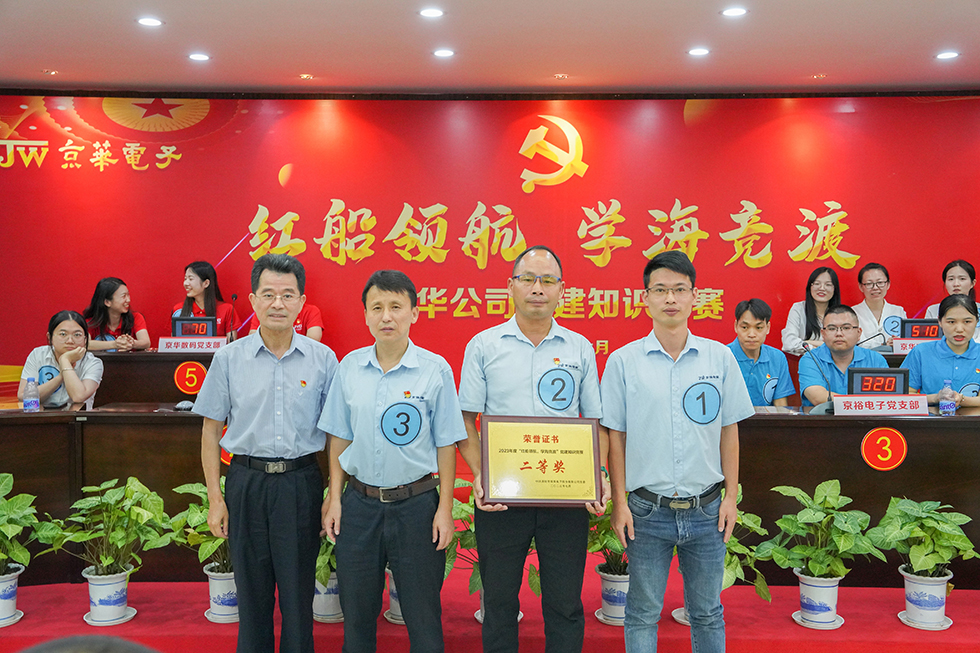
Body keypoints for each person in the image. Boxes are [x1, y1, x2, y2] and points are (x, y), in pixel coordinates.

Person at [457, 245, 608, 653]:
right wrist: (481, 474)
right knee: (499, 603)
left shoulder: (579, 347)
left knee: (565, 603)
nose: (537, 288)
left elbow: (595, 422)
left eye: (547, 280)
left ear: (562, 290)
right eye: (527, 279)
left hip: (565, 496)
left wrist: (599, 475)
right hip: (502, 498)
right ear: (511, 287)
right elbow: (465, 420)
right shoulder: (484, 345)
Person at [600, 251, 753, 653]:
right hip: (646, 512)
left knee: (707, 613)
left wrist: (731, 498)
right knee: (642, 613)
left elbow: (729, 430)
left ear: (694, 297)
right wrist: (619, 503)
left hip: (707, 511)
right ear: (645, 298)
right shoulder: (623, 361)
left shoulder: (719, 357)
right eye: (661, 290)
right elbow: (614, 436)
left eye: (680, 289)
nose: (670, 298)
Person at [194, 254, 338, 653]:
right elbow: (210, 430)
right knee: (252, 595)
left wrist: (332, 495)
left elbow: (337, 435)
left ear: (301, 302)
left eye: (288, 295)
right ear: (253, 300)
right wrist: (215, 498)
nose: (278, 303)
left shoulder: (323, 360)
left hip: (300, 483)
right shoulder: (229, 358)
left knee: (298, 596)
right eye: (269, 294)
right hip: (247, 483)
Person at [320, 270, 465, 653]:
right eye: (377, 307)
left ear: (414, 313)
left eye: (396, 307)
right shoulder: (349, 367)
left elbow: (446, 443)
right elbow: (339, 437)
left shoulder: (435, 369)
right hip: (359, 506)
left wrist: (444, 509)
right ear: (366, 315)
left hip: (417, 507)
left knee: (423, 617)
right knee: (357, 616)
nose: (387, 316)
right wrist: (334, 498)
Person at [797, 305, 889, 407]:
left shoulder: (875, 360)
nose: (839, 333)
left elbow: (885, 399)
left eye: (846, 328)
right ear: (823, 334)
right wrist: (859, 403)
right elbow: (817, 398)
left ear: (859, 333)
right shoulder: (811, 359)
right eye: (832, 328)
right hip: (822, 417)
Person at [902, 294, 980, 408]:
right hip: (931, 418)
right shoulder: (921, 352)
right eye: (951, 322)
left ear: (977, 321)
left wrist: (961, 399)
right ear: (939, 321)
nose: (959, 329)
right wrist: (935, 398)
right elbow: (904, 394)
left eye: (967, 322)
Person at [18, 310, 103, 411]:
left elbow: (78, 397)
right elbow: (24, 396)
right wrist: (61, 376)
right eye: (63, 334)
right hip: (41, 416)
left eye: (77, 335)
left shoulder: (93, 363)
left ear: (85, 340)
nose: (70, 341)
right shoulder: (38, 355)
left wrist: (65, 360)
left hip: (77, 419)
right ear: (50, 337)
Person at [727, 298, 795, 407]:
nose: (751, 334)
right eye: (745, 327)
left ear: (767, 328)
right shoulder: (723, 356)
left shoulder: (777, 358)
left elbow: (780, 405)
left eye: (758, 327)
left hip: (766, 418)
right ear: (736, 326)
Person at [173, 261, 240, 342]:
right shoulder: (178, 310)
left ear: (206, 283)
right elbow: (174, 343)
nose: (185, 283)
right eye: (185, 279)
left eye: (190, 279)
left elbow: (231, 345)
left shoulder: (227, 309)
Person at [781, 267, 841, 355]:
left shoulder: (842, 313)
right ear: (810, 287)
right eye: (817, 283)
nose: (822, 288)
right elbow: (788, 343)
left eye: (828, 284)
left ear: (834, 289)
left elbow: (846, 345)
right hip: (807, 361)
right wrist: (819, 347)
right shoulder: (799, 309)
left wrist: (807, 342)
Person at [83, 277, 151, 352]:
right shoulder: (91, 322)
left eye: (128, 295)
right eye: (123, 296)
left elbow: (146, 342)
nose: (128, 300)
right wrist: (115, 344)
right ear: (107, 302)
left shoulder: (136, 317)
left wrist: (131, 343)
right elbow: (84, 344)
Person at [851, 263, 906, 349]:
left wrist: (898, 342)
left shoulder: (898, 311)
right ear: (861, 287)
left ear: (888, 284)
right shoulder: (852, 313)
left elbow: (905, 341)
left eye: (880, 282)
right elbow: (857, 343)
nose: (875, 288)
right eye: (869, 283)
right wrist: (884, 345)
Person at [924, 260, 980, 341]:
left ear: (972, 283)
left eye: (962, 279)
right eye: (951, 279)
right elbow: (929, 340)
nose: (956, 284)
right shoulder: (933, 310)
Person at [248, 302, 324, 341]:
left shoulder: (311, 311)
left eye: (287, 296)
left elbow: (313, 339)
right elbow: (253, 338)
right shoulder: (262, 312)